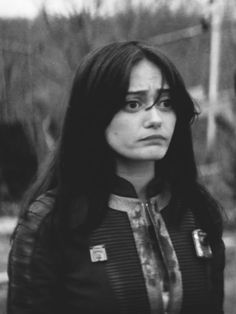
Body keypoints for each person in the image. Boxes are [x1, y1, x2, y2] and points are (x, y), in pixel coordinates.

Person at [7, 41, 225, 314]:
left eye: (166, 103)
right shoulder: (51, 223)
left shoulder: (197, 211)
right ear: (95, 114)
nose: (156, 119)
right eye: (133, 104)